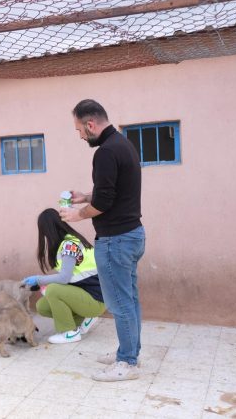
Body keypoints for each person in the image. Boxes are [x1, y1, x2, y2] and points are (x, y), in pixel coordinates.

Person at [60, 99, 145, 382]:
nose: (80, 135)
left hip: (116, 239)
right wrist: (86, 196)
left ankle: (127, 362)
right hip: (132, 234)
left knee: (120, 303)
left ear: (90, 124)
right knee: (129, 300)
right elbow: (112, 192)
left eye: (79, 130)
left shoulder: (105, 153)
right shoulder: (123, 144)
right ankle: (128, 351)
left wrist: (77, 214)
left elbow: (106, 202)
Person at [22, 208, 105, 344]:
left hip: (97, 299)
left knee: (53, 290)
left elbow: (64, 278)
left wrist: (38, 279)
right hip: (85, 294)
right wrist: (42, 283)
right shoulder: (64, 244)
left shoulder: (69, 245)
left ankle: (69, 332)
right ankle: (85, 318)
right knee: (42, 306)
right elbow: (70, 276)